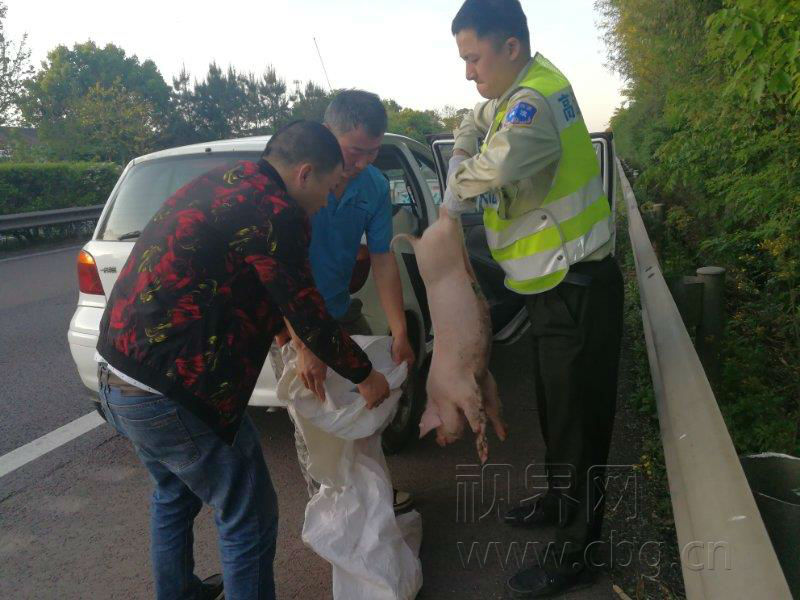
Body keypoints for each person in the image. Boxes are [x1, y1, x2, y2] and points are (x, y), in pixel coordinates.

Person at [95, 121, 390, 600]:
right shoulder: (276, 211)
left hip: (118, 375)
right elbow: (308, 311)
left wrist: (287, 336)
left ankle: (179, 592)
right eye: (330, 187)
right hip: (173, 393)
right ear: (305, 173)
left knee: (175, 494)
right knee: (249, 514)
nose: (327, 201)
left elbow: (243, 279)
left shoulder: (227, 181)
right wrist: (367, 375)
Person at [445, 1, 625, 596]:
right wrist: (464, 139)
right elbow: (474, 118)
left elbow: (487, 173)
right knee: (557, 412)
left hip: (575, 288)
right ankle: (559, 500)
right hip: (554, 289)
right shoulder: (515, 92)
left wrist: (456, 171)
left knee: (578, 427)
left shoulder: (532, 103)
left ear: (511, 47)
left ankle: (577, 554)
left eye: (474, 58)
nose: (469, 71)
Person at [272, 90, 415, 512]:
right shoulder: (298, 184)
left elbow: (383, 260)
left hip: (338, 311)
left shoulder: (374, 186)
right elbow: (280, 275)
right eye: (355, 151)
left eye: (374, 152)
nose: (364, 162)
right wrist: (305, 346)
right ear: (326, 134)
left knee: (366, 405)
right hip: (292, 321)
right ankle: (329, 511)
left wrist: (400, 332)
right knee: (313, 426)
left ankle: (371, 497)